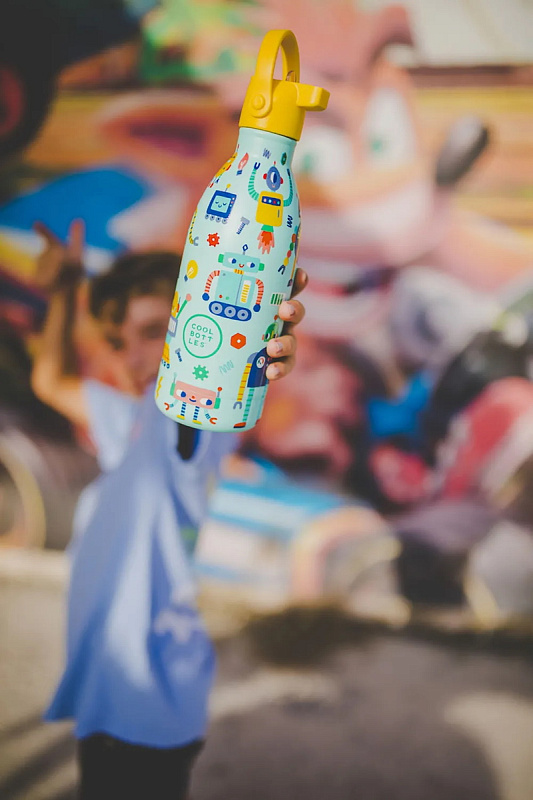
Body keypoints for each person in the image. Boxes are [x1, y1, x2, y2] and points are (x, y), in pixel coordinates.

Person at [31, 220, 307, 800]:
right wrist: (63, 293)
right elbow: (52, 379)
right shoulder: (130, 422)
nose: (135, 356)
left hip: (147, 704)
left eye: (156, 331)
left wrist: (249, 343)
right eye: (119, 341)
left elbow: (203, 400)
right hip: (109, 692)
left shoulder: (186, 423)